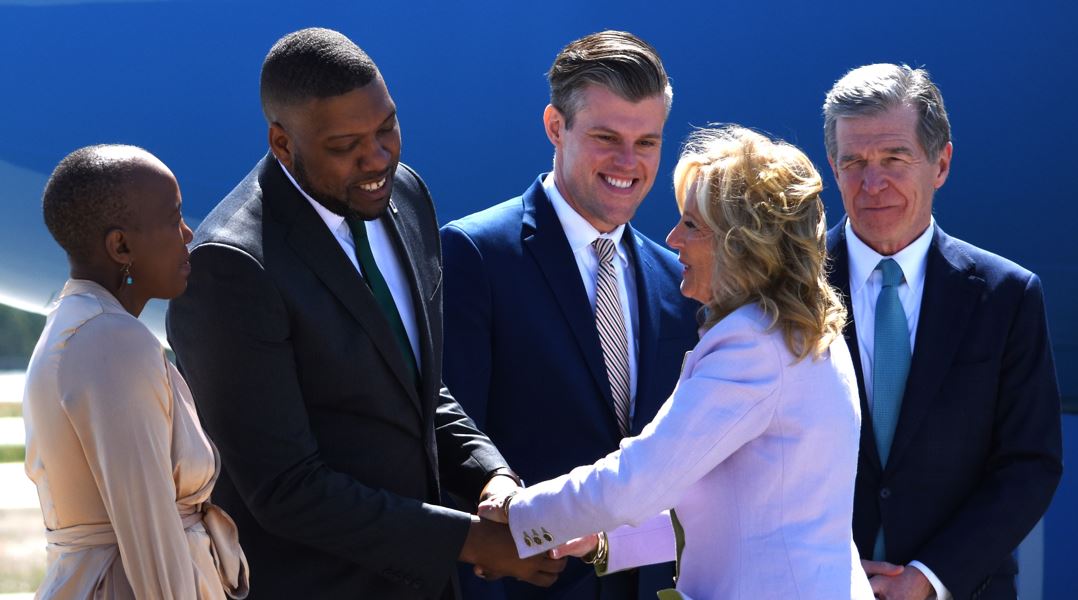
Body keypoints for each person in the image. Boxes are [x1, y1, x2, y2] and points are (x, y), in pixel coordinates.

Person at [166, 28, 564, 599]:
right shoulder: (230, 269)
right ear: (282, 143)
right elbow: (285, 488)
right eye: (344, 145)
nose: (377, 158)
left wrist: (490, 476)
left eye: (387, 128)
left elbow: (415, 384)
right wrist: (468, 542)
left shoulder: (405, 195)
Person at [479, 126, 875, 600]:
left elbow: (641, 480)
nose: (672, 239)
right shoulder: (801, 335)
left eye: (691, 224)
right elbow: (735, 508)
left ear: (740, 244)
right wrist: (603, 540)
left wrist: (520, 512)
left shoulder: (753, 347)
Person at [440, 30, 699, 599]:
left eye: (648, 142)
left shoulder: (678, 282)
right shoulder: (477, 254)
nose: (628, 163)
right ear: (556, 127)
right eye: (607, 137)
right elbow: (452, 445)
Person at [821, 63, 1063, 600]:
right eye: (854, 161)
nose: (872, 182)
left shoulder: (1007, 296)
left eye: (894, 159)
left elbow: (1030, 464)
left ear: (941, 163)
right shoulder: (787, 287)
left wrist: (928, 578)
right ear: (833, 169)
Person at [24, 145, 248, 599]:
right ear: (121, 245)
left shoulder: (82, 324)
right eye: (173, 218)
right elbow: (152, 539)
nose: (188, 233)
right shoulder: (109, 341)